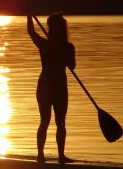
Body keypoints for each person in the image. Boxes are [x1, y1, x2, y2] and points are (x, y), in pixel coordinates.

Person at [27, 12, 76, 164]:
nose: (56, 30)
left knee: (61, 122)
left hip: (61, 87)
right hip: (45, 87)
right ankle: (40, 155)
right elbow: (31, 32)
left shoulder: (68, 47)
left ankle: (61, 155)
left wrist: (63, 54)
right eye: (53, 27)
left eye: (59, 27)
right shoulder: (45, 45)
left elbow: (72, 66)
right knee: (45, 120)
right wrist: (29, 16)